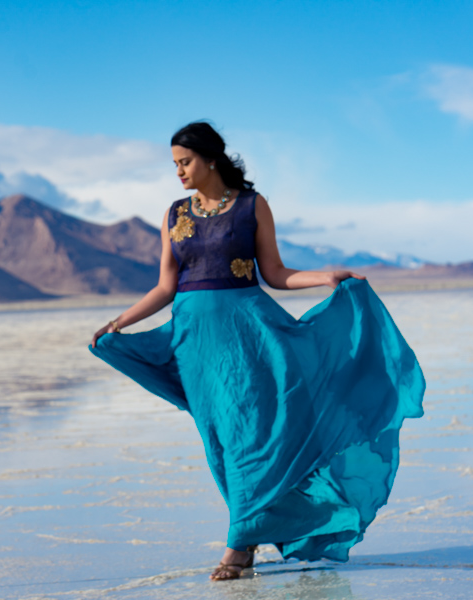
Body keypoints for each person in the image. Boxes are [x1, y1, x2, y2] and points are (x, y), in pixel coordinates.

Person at [90, 122, 424, 581]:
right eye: (174, 165)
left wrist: (324, 277)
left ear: (210, 159)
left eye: (184, 162)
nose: (179, 172)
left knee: (251, 435)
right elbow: (167, 286)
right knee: (221, 444)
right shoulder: (173, 214)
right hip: (196, 344)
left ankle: (238, 547)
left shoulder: (251, 206)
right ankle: (251, 533)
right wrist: (120, 322)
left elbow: (274, 272)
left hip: (248, 335)